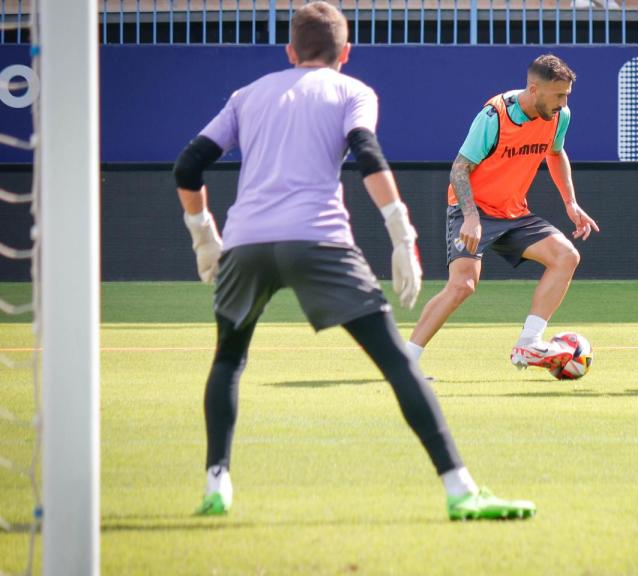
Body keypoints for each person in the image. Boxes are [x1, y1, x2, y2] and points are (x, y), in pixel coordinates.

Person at [172, 1, 534, 520]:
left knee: (228, 358)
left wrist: (205, 237)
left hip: (246, 243)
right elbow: (367, 155)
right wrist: (401, 233)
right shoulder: (352, 91)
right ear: (345, 52)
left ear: (290, 51)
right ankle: (460, 490)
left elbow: (188, 166)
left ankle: (216, 485)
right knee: (394, 362)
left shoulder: (246, 96)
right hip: (319, 241)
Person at [404, 54, 599, 373]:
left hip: (514, 212)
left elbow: (555, 152)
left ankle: (529, 344)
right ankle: (406, 362)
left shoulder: (559, 116)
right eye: (558, 95)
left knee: (566, 256)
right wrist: (470, 217)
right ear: (534, 89)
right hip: (473, 209)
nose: (563, 103)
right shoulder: (495, 116)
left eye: (566, 96)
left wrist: (570, 203)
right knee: (462, 286)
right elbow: (459, 170)